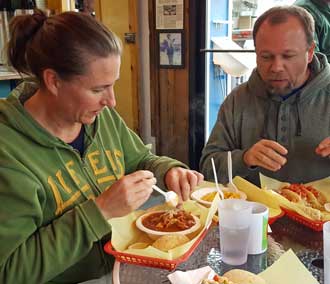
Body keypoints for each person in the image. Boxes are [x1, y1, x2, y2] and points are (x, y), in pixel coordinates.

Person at [0, 10, 203, 284]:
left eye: (113, 85)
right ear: (53, 81)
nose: (112, 101)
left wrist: (168, 171)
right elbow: (9, 271)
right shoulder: (9, 151)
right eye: (98, 89)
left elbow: (140, 159)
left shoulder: (99, 116)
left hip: (124, 268)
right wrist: (100, 211)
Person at [200, 6, 330, 187]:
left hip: (321, 213)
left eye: (288, 55)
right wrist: (244, 159)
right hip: (251, 213)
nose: (276, 67)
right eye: (266, 57)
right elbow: (207, 167)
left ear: (309, 53)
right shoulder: (239, 100)